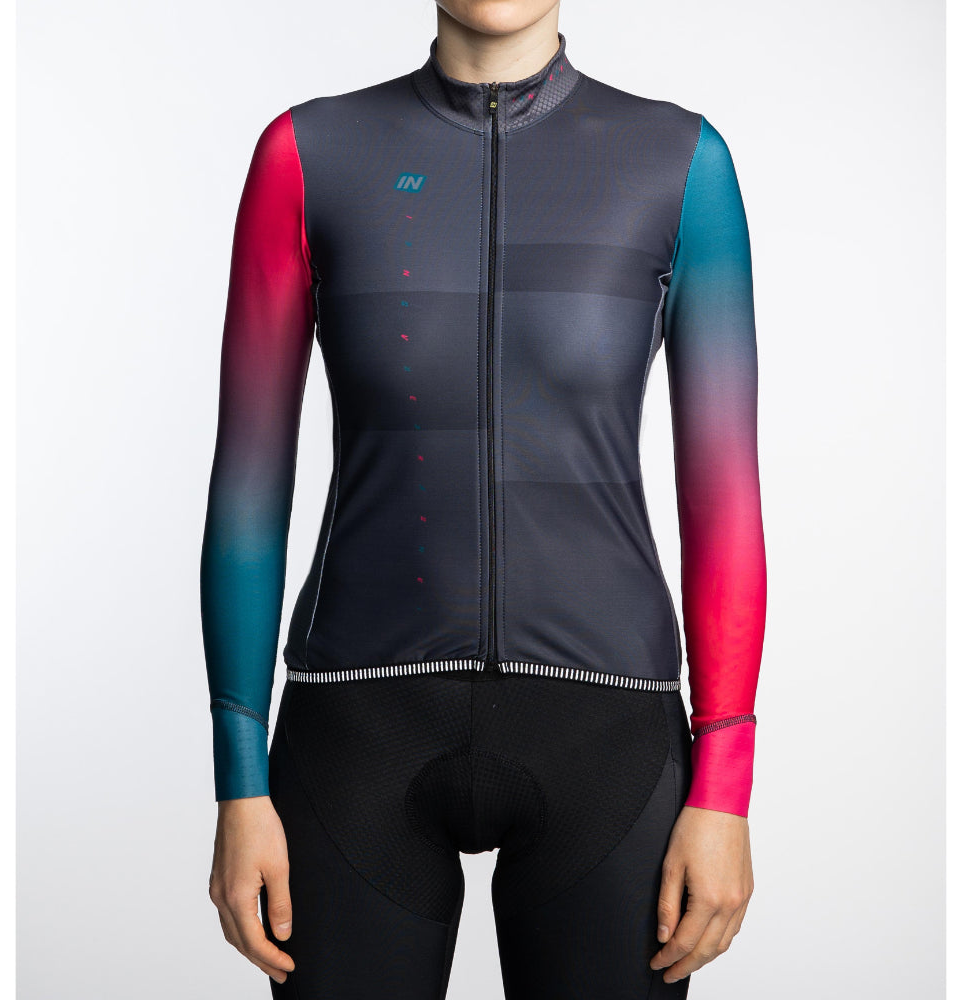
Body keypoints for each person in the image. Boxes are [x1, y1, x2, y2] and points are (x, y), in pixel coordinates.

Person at [201, 1, 766, 996]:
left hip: (608, 740)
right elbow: (249, 487)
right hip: (356, 731)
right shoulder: (307, 153)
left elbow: (722, 496)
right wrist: (239, 784)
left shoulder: (679, 162)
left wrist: (724, 785)